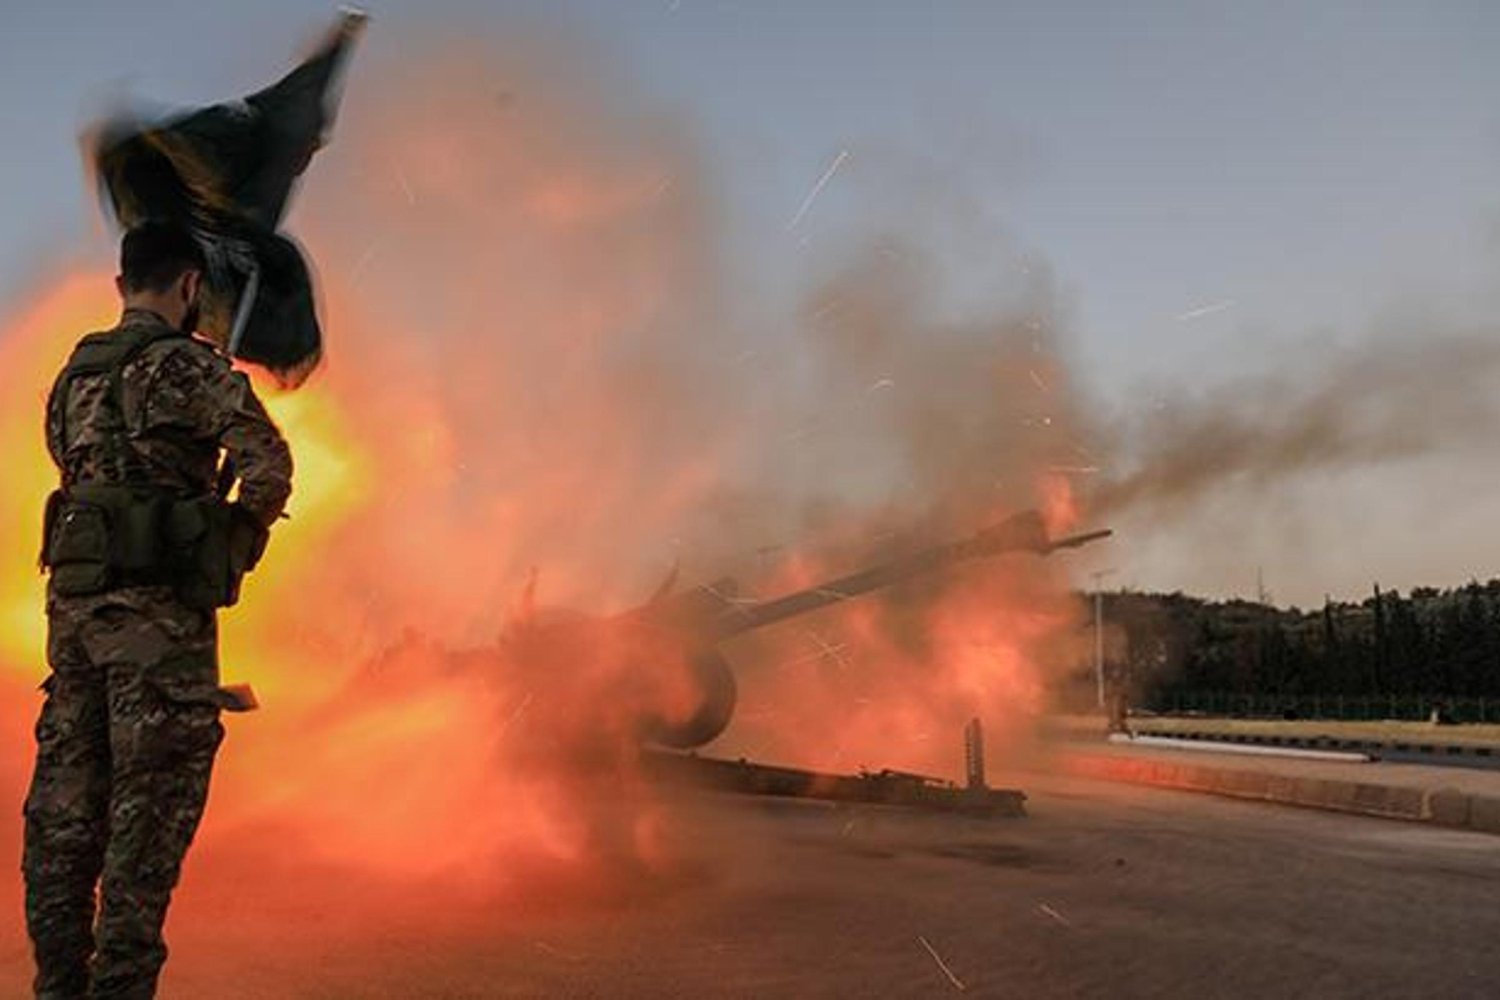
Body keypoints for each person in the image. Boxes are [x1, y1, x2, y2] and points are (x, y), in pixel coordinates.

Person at [24, 220, 293, 999]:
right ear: (190, 286)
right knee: (143, 836)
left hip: (75, 637)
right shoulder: (190, 368)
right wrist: (227, 547)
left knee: (64, 824)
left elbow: (71, 470)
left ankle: (57, 987)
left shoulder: (73, 378)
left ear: (121, 286)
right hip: (161, 642)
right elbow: (268, 466)